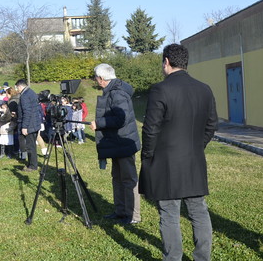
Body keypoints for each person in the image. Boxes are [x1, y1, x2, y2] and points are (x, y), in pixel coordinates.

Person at [139, 44, 218, 261]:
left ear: (166, 62)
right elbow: (212, 125)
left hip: (166, 162)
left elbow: (151, 128)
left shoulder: (160, 89)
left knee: (169, 213)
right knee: (199, 211)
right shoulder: (204, 89)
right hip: (194, 160)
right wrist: (197, 146)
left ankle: (173, 258)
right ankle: (202, 258)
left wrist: (148, 155)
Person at [90, 63, 141, 225]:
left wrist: (99, 123)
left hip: (124, 143)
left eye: (96, 77)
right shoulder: (112, 90)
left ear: (101, 78)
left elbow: (121, 119)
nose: (95, 80)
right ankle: (120, 211)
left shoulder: (117, 93)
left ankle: (133, 216)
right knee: (117, 178)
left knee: (129, 180)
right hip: (116, 142)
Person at [15, 79, 42, 172]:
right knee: (32, 145)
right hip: (34, 123)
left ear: (20, 86)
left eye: (17, 87)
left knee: (30, 146)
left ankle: (32, 166)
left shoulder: (25, 95)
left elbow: (27, 112)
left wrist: (24, 126)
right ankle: (32, 163)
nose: (17, 89)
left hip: (29, 124)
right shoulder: (31, 92)